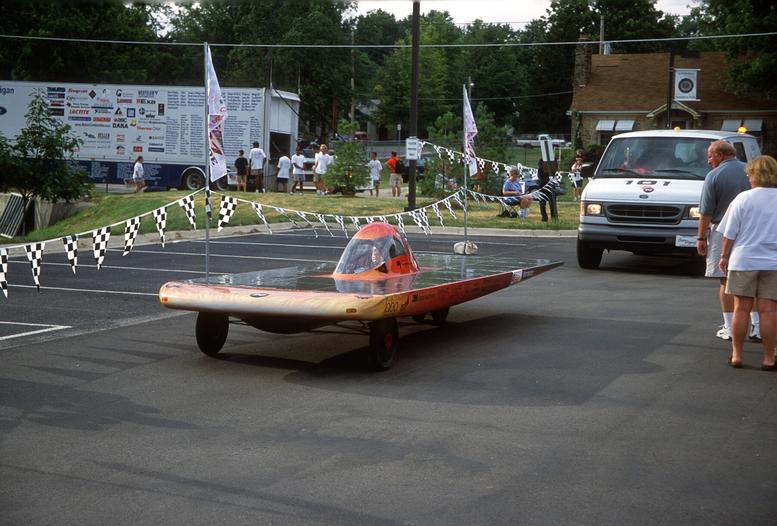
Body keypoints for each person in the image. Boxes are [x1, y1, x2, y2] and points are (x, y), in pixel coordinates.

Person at [717, 155, 777, 370]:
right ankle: (769, 358)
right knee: (768, 311)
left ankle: (737, 355)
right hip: (773, 262)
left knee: (741, 309)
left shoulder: (743, 199)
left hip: (744, 260)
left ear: (753, 175)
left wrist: (724, 256)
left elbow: (729, 233)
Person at [696, 140, 754, 342]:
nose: (708, 161)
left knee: (725, 279)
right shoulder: (750, 171)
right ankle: (756, 326)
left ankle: (729, 327)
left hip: (722, 229)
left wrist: (701, 237)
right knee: (752, 279)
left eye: (710, 156)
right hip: (750, 231)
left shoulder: (714, 176)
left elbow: (706, 212)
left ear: (720, 155)